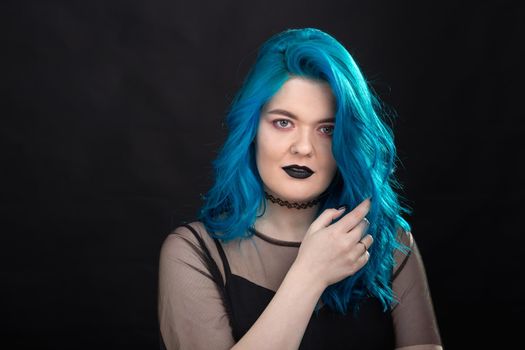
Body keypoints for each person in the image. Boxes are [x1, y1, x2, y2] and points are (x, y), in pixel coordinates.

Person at [158, 28, 442, 350]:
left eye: (326, 129)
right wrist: (309, 274)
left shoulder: (391, 243)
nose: (304, 148)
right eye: (283, 122)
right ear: (251, 130)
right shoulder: (192, 253)